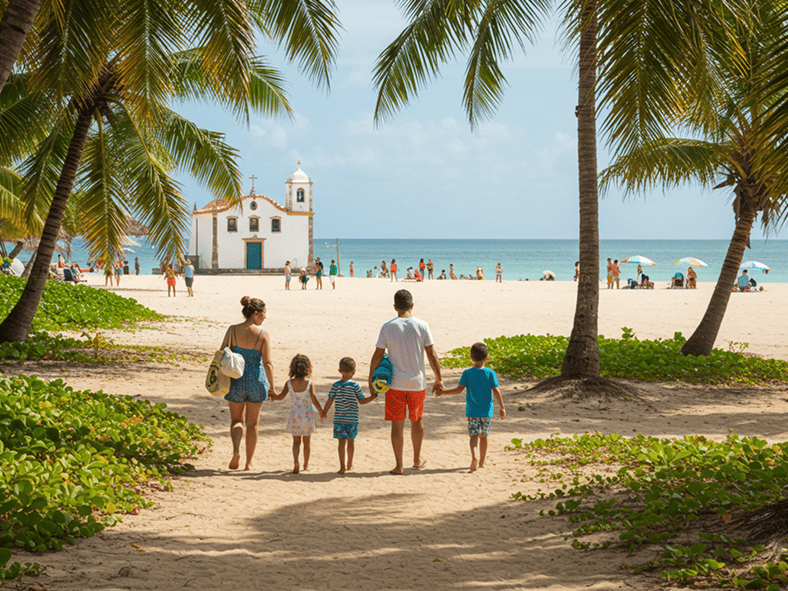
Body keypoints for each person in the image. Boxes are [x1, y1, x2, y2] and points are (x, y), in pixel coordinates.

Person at [369, 289, 443, 475]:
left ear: (395, 307)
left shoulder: (387, 327)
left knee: (397, 425)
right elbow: (432, 354)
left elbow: (377, 356)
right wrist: (438, 378)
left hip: (395, 384)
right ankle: (417, 459)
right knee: (417, 421)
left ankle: (399, 465)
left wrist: (371, 380)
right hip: (417, 383)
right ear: (412, 306)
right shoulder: (422, 325)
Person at [220, 296, 275, 471]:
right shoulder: (262, 334)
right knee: (253, 424)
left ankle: (236, 451)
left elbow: (222, 353)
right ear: (256, 313)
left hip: (236, 380)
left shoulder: (232, 330)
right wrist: (272, 388)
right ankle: (248, 463)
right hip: (256, 382)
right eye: (264, 313)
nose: (265, 317)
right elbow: (267, 363)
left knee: (236, 420)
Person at [436, 342, 505, 472]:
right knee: (484, 436)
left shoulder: (467, 373)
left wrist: (443, 392)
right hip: (486, 411)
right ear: (487, 358)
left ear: (471, 358)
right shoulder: (490, 373)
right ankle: (482, 463)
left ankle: (474, 457)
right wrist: (502, 407)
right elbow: (496, 391)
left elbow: (458, 390)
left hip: (472, 411)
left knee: (473, 436)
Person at [322, 357, 378, 474]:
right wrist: (372, 397)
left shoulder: (335, 385)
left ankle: (342, 467)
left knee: (341, 443)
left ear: (340, 371)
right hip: (352, 419)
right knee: (351, 442)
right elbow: (361, 401)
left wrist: (324, 412)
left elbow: (330, 400)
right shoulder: (355, 386)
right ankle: (349, 464)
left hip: (339, 419)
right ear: (354, 371)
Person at [271, 354, 323, 474]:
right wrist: (322, 412)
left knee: (296, 442)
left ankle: (296, 462)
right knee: (307, 443)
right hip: (306, 416)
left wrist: (273, 396)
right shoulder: (309, 384)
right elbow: (314, 399)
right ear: (308, 368)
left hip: (295, 416)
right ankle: (305, 465)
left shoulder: (289, 383)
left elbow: (281, 397)